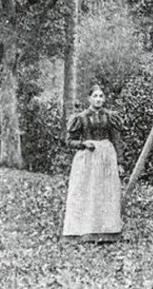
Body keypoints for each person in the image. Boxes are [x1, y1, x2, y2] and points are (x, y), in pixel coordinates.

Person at [62, 83, 124, 242]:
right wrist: (82, 144)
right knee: (87, 191)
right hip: (87, 159)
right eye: (95, 96)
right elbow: (69, 141)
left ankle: (107, 232)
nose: (98, 99)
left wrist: (120, 162)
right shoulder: (80, 118)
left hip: (107, 158)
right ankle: (83, 231)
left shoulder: (110, 117)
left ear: (104, 99)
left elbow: (117, 140)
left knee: (106, 192)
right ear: (89, 98)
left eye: (101, 96)